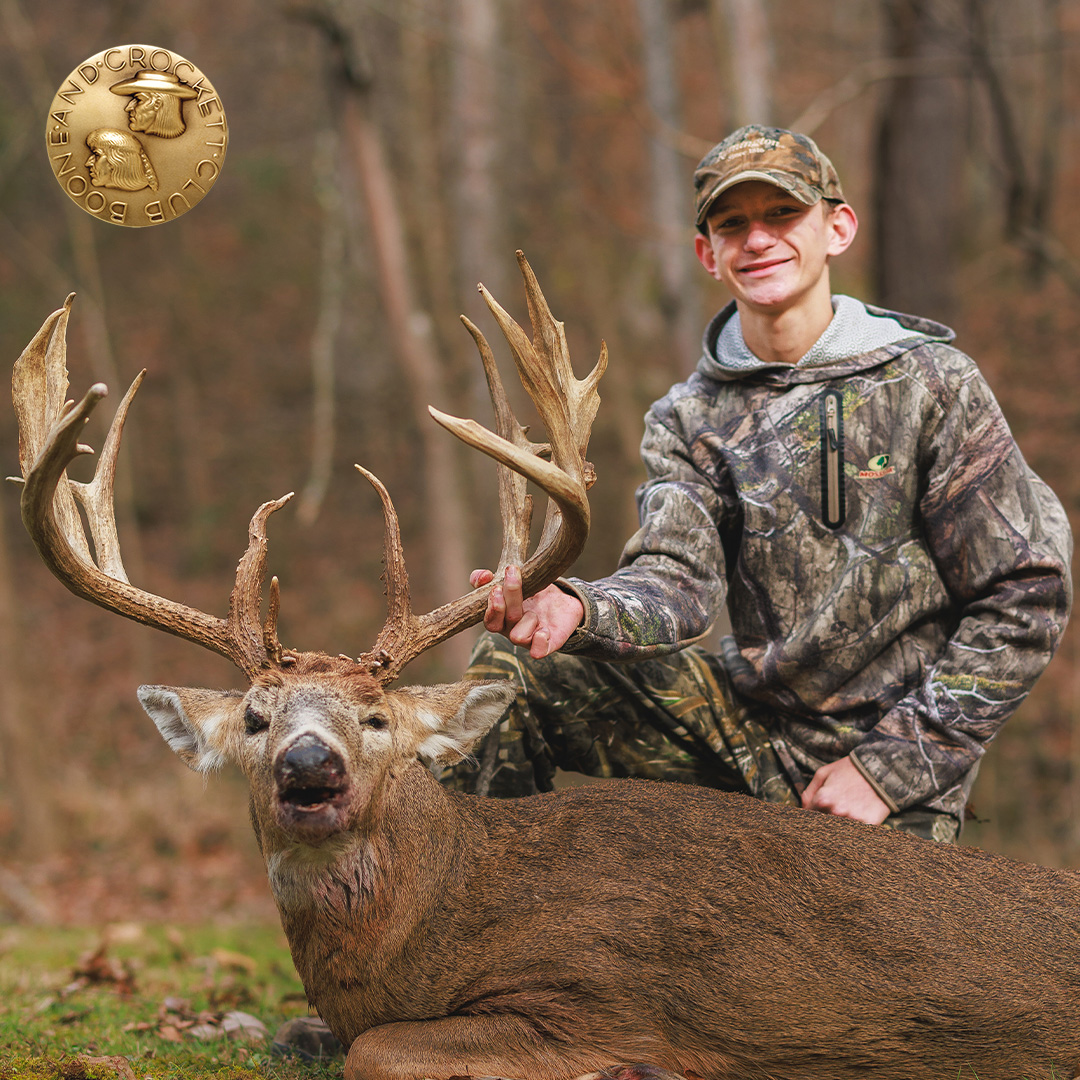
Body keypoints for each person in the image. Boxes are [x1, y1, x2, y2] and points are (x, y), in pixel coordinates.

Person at [448, 124, 1073, 842]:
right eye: (732, 223)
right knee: (509, 671)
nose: (758, 239)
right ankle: (483, 932)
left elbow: (1027, 594)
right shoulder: (688, 416)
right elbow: (674, 582)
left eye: (782, 214)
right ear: (706, 253)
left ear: (837, 228)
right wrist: (580, 610)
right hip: (743, 731)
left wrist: (891, 766)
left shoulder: (931, 384)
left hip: (893, 757)